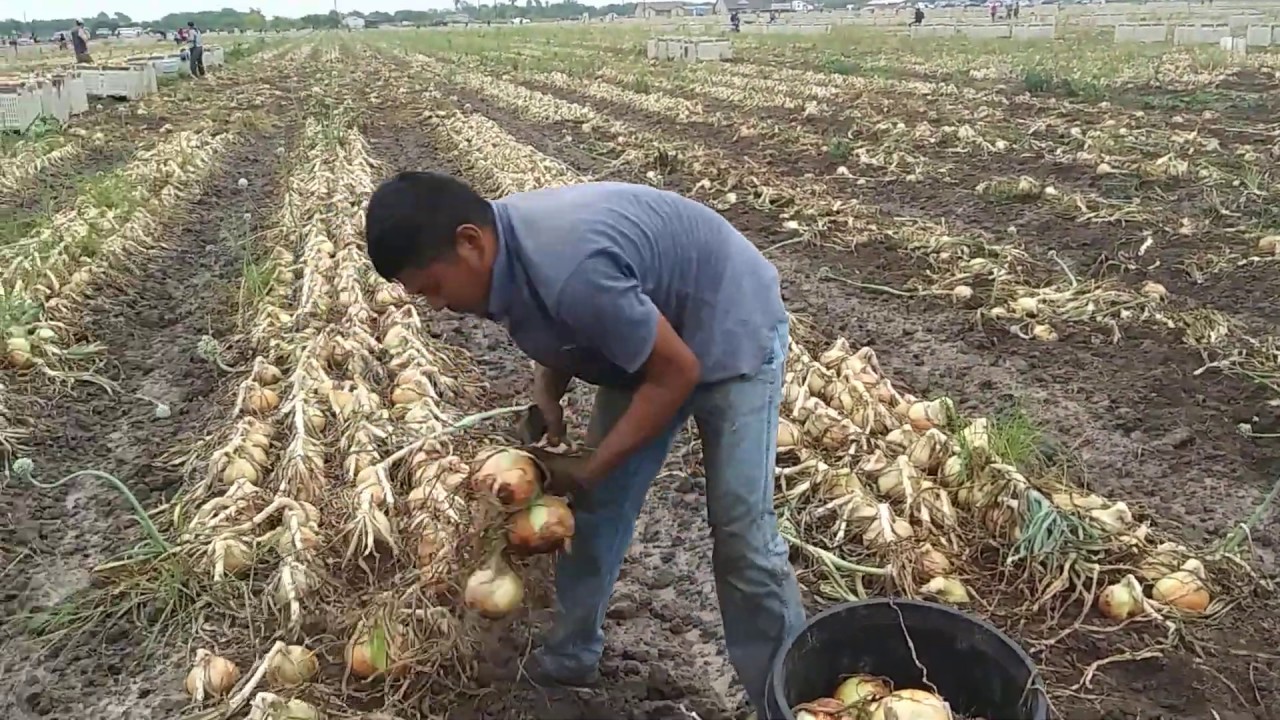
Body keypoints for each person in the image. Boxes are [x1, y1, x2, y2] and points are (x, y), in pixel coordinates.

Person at [364, 173, 805, 715]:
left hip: (728, 323)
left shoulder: (570, 266)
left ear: (469, 242)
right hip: (647, 340)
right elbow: (564, 323)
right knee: (592, 512)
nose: (435, 305)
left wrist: (594, 464)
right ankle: (568, 658)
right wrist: (547, 391)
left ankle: (787, 700)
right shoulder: (509, 253)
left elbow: (674, 372)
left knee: (743, 534)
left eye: (432, 286)